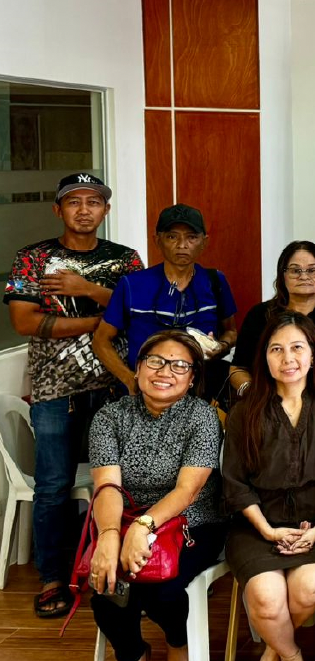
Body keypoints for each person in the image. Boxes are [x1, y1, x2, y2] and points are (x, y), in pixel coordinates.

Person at [4, 173, 142, 619]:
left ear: (106, 210)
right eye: (74, 202)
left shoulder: (125, 259)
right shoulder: (33, 258)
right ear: (58, 209)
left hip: (117, 386)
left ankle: (123, 572)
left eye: (93, 202)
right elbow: (25, 322)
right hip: (54, 389)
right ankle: (53, 578)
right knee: (53, 485)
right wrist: (101, 320)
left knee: (126, 481)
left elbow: (139, 312)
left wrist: (87, 290)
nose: (84, 210)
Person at [85, 331, 229, 661]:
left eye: (180, 365)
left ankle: (178, 643)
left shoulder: (201, 417)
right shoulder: (109, 417)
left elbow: (188, 491)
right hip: (121, 517)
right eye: (156, 361)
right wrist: (109, 535)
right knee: (105, 583)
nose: (166, 371)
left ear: (192, 378)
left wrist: (143, 527)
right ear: (138, 368)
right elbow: (107, 486)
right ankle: (133, 656)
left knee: (164, 589)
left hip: (192, 522)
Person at [222, 311, 315, 661]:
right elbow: (235, 482)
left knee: (306, 587)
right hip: (256, 524)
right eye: (276, 349)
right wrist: (267, 530)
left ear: (313, 354)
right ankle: (292, 658)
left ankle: (271, 651)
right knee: (266, 598)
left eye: (297, 347)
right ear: (264, 357)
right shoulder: (246, 410)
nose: (288, 358)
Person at [93, 204, 237, 397]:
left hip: (201, 391)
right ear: (157, 240)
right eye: (172, 237)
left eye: (191, 237)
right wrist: (129, 379)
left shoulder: (215, 281)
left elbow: (231, 331)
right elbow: (101, 341)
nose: (182, 245)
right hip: (147, 393)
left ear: (204, 242)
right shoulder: (132, 285)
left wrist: (221, 346)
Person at [229, 241, 315, 396]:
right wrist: (254, 394)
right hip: (266, 400)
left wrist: (313, 398)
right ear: (283, 276)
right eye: (295, 270)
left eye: (313, 270)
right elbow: (237, 369)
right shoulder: (259, 315)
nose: (304, 276)